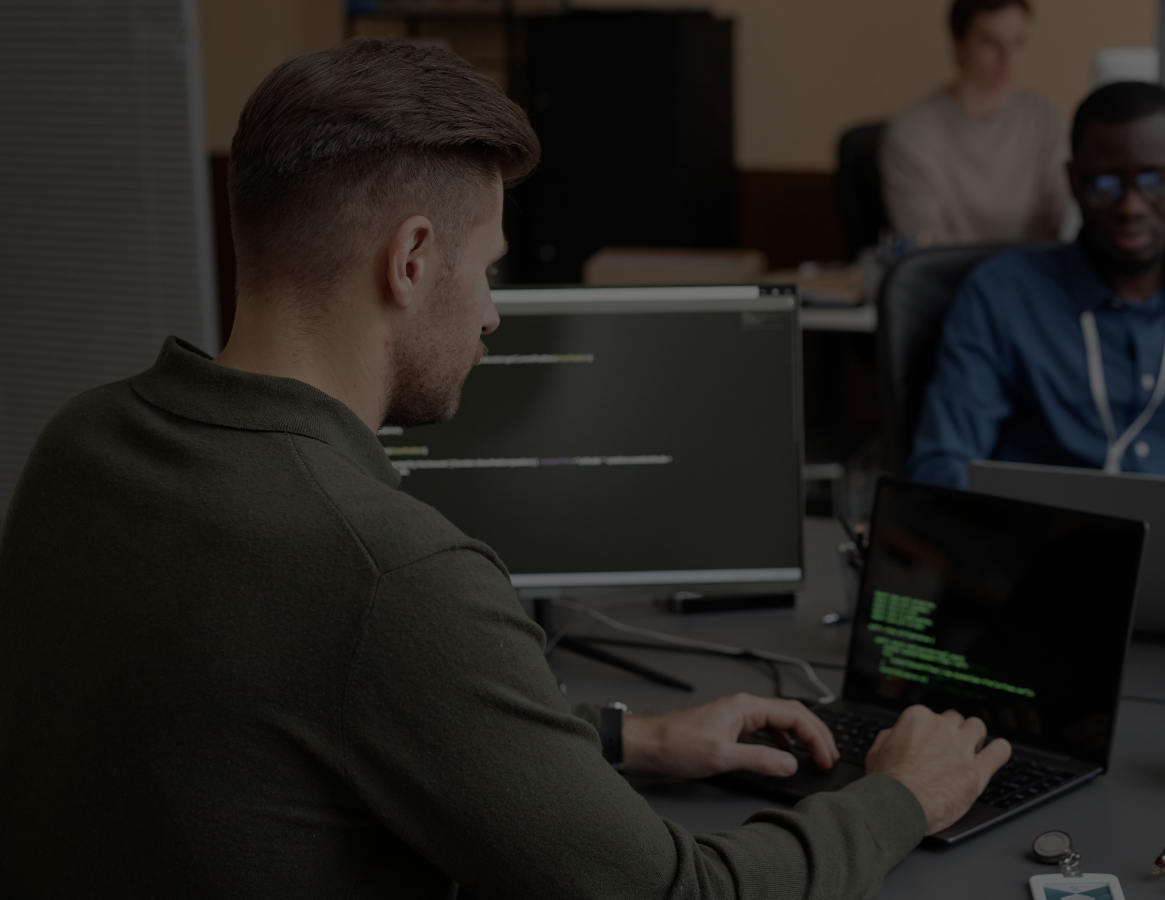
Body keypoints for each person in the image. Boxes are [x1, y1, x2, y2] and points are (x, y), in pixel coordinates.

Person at [0, 39, 1011, 897]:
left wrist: (631, 741)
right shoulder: (394, 570)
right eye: (486, 269)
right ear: (408, 261)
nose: (491, 312)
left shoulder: (82, 442)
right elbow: (681, 892)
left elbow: (280, 708)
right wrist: (898, 798)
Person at [903, 81, 1165, 576]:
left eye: (1155, 179)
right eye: (1106, 182)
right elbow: (943, 463)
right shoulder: (999, 297)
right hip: (1028, 570)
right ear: (1074, 180)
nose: (1131, 205)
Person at [879, 0, 1068, 245]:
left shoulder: (1043, 118)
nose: (1008, 58)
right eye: (991, 43)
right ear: (959, 45)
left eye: (1018, 42)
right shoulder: (911, 136)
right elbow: (926, 250)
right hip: (953, 279)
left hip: (1035, 276)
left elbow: (1065, 217)